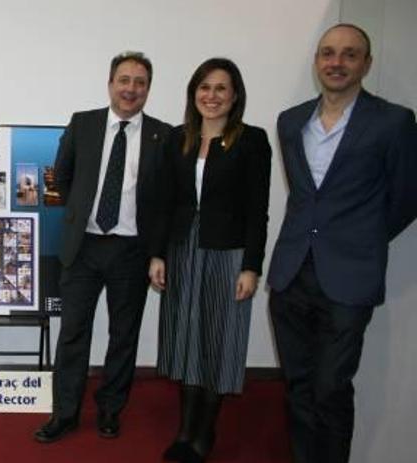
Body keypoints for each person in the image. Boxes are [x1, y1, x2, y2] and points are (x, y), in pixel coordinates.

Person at [268, 23, 417, 463]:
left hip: (350, 278)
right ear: (317, 62)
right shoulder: (291, 121)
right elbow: (303, 196)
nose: (337, 62)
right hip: (292, 272)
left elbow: (406, 198)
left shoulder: (394, 121)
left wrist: (362, 238)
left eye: (350, 54)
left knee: (331, 387)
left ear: (366, 64)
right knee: (297, 385)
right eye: (328, 53)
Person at [34, 52, 172, 443]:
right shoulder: (84, 124)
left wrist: (158, 251)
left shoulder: (165, 135)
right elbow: (60, 176)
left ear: (148, 88)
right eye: (124, 79)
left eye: (140, 81)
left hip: (132, 250)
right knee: (74, 333)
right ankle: (64, 413)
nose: (131, 88)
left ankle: (111, 410)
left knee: (123, 335)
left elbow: (164, 201)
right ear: (110, 83)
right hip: (84, 247)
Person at [149, 58, 271, 462]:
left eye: (221, 88)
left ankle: (205, 433)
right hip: (184, 251)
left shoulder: (252, 140)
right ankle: (184, 431)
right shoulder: (177, 138)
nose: (212, 96)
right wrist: (158, 254)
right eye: (204, 87)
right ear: (193, 93)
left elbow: (258, 210)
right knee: (185, 338)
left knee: (218, 341)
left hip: (228, 254)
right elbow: (165, 203)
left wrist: (251, 266)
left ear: (235, 95)